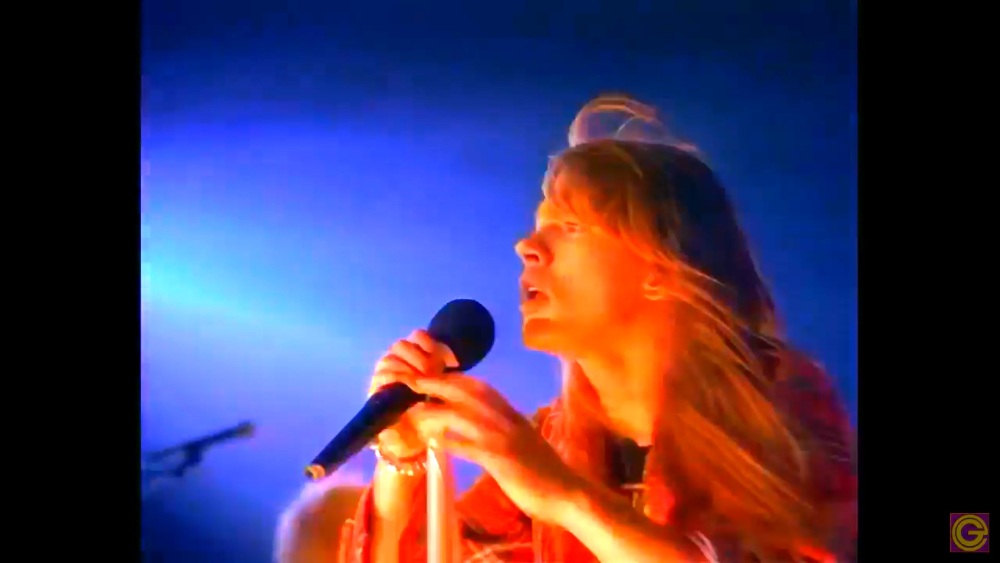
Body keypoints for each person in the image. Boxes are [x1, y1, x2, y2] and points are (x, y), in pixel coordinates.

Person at [279, 95, 856, 562]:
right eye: (537, 227)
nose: (527, 247)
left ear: (661, 268)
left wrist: (563, 495)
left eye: (570, 226)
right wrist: (402, 462)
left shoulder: (775, 399)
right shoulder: (553, 441)